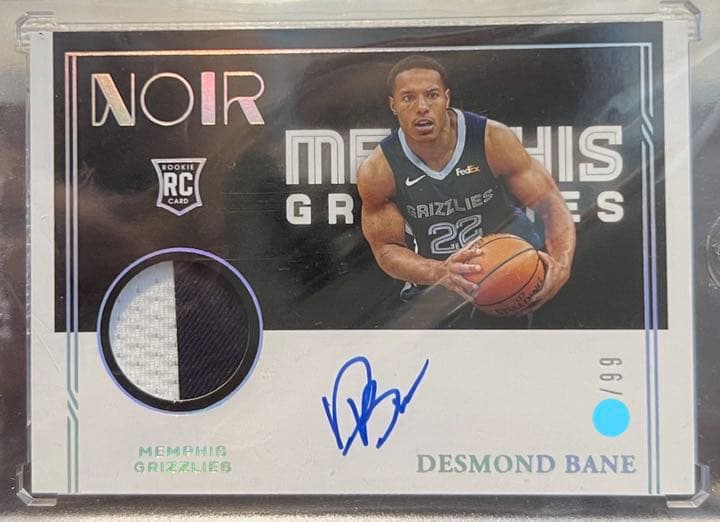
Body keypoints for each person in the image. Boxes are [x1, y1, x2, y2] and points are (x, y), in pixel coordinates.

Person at [357, 55, 576, 321]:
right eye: (408, 98)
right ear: (394, 105)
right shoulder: (379, 170)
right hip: (439, 280)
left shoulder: (490, 139)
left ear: (446, 98)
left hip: (515, 269)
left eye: (432, 95)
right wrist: (439, 271)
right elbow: (386, 248)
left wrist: (562, 264)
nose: (422, 107)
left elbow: (550, 203)